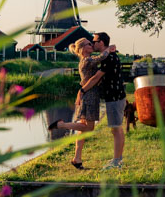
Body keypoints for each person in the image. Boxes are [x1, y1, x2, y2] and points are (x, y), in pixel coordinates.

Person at [50, 37, 114, 169]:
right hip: (90, 96)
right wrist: (109, 49)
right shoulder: (87, 60)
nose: (92, 45)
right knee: (89, 128)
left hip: (88, 95)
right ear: (83, 48)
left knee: (82, 130)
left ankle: (77, 159)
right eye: (89, 44)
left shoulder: (85, 60)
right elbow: (101, 58)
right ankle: (62, 125)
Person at [81, 32, 127, 170]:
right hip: (115, 95)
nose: (93, 43)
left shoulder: (109, 58)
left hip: (114, 96)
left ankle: (117, 161)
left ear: (101, 42)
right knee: (117, 129)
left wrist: (82, 90)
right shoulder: (109, 56)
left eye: (94, 41)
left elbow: (95, 78)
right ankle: (118, 159)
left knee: (116, 129)